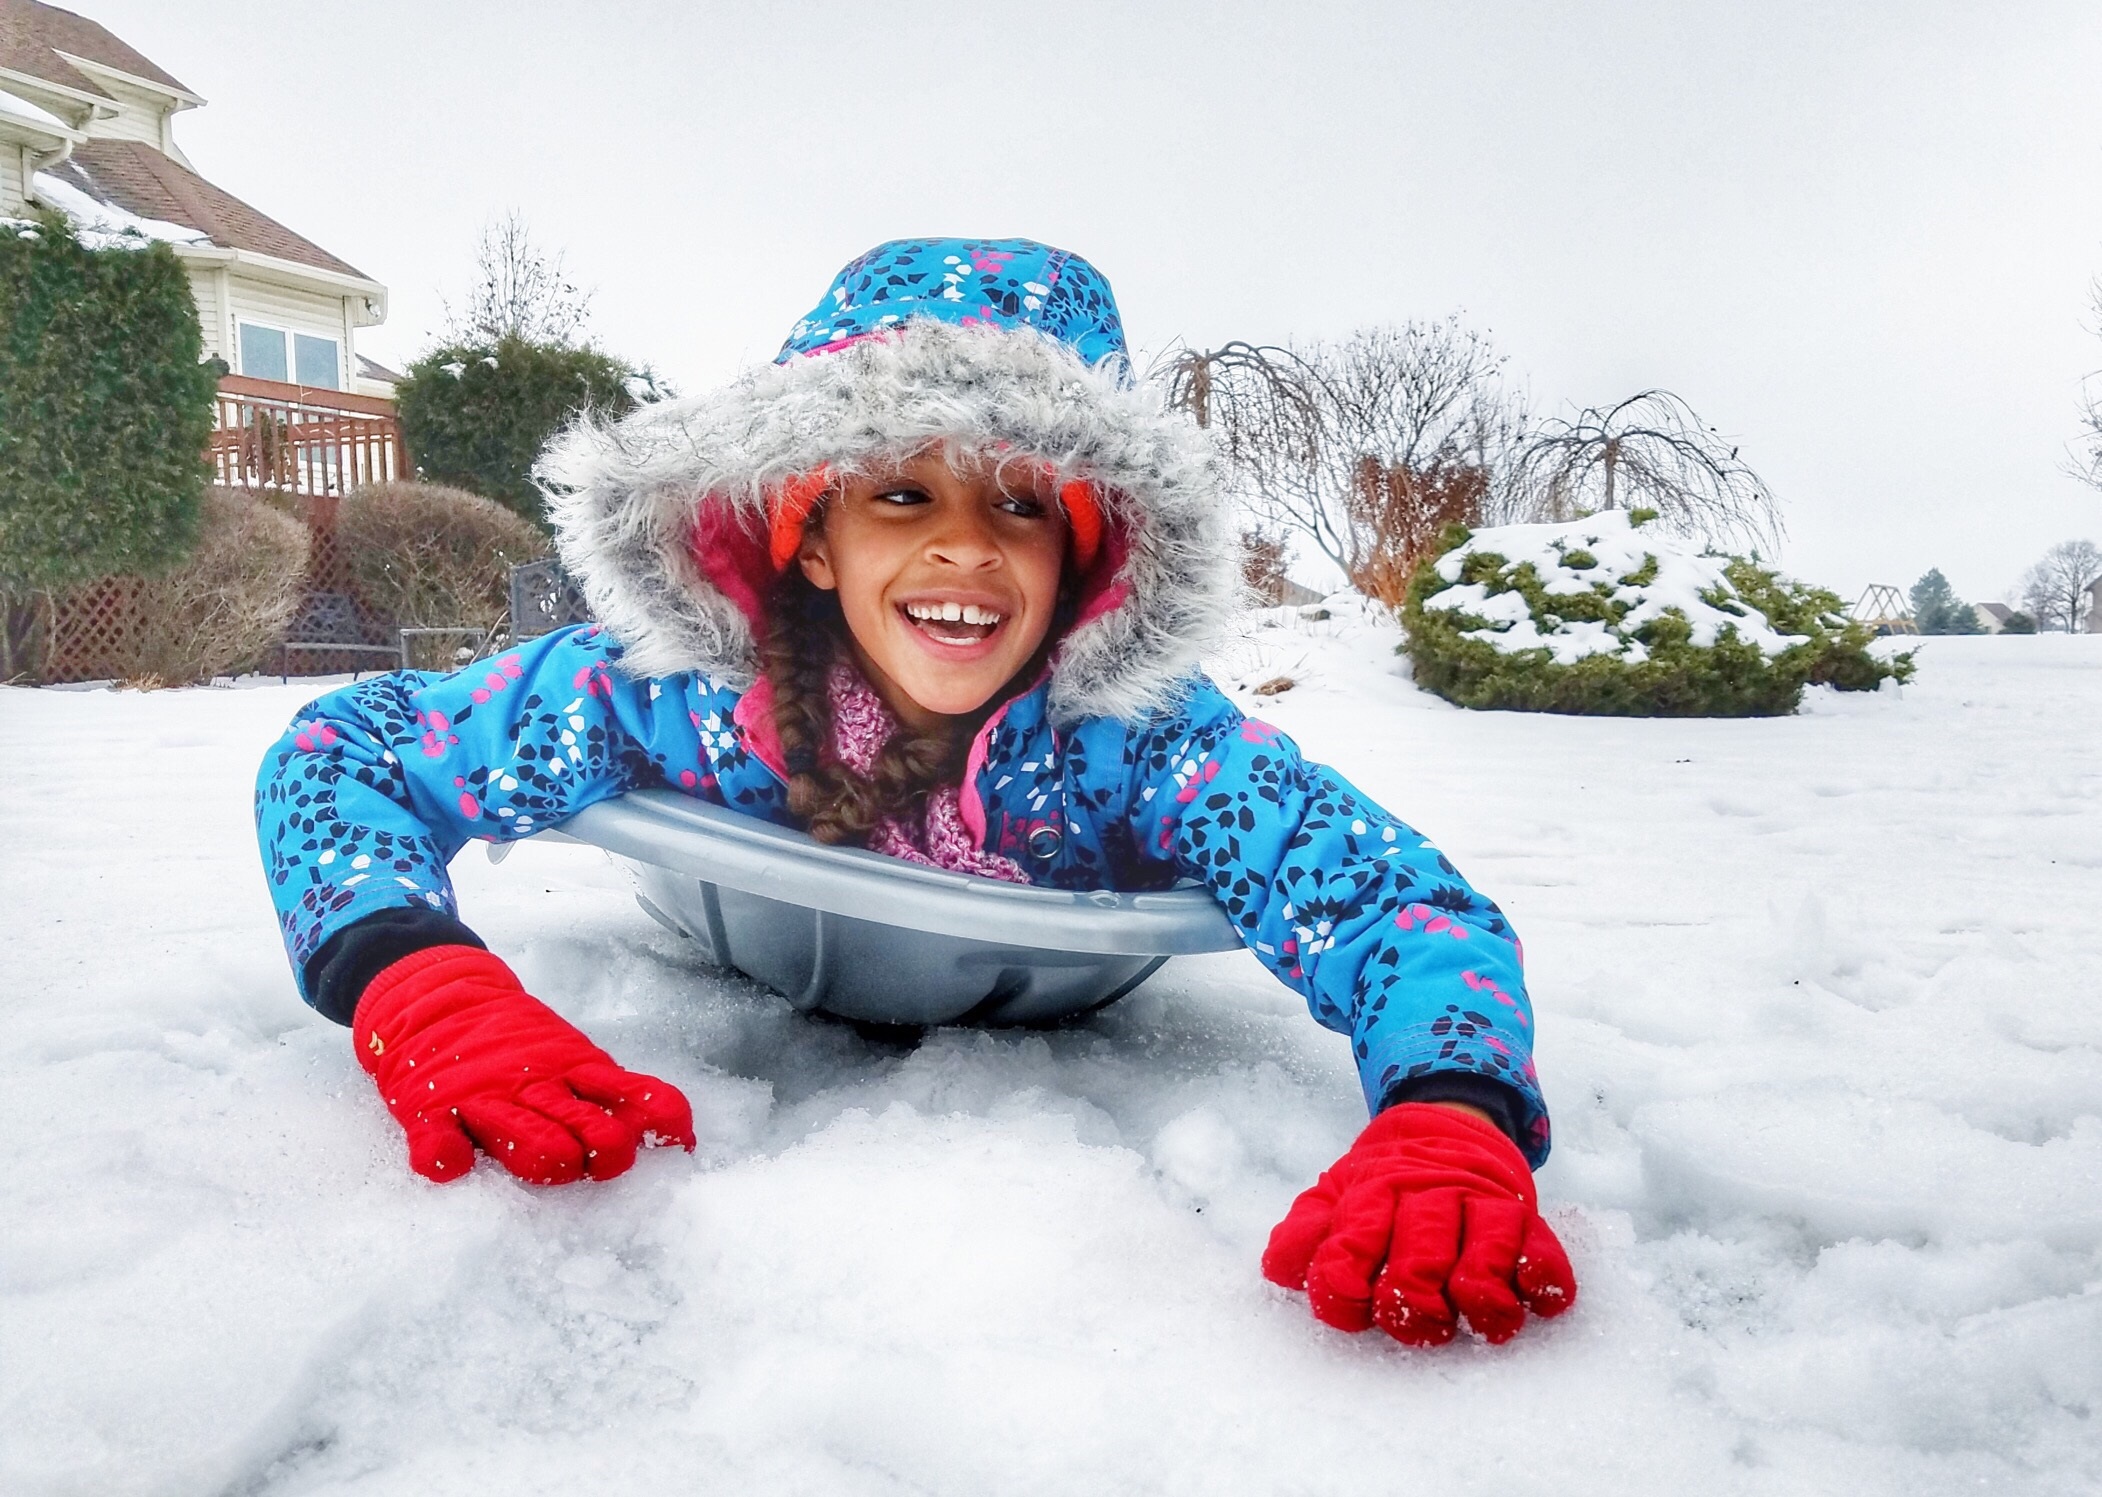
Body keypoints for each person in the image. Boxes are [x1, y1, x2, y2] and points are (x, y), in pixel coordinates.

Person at [255, 237, 1576, 1347]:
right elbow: (350, 751)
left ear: (1085, 554)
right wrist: (419, 983)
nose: (960, 541)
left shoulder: (1135, 743)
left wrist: (1447, 1113)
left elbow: (1390, 898)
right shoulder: (667, 692)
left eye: (1020, 500)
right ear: (810, 534)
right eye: (899, 489)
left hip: (1057, 991)